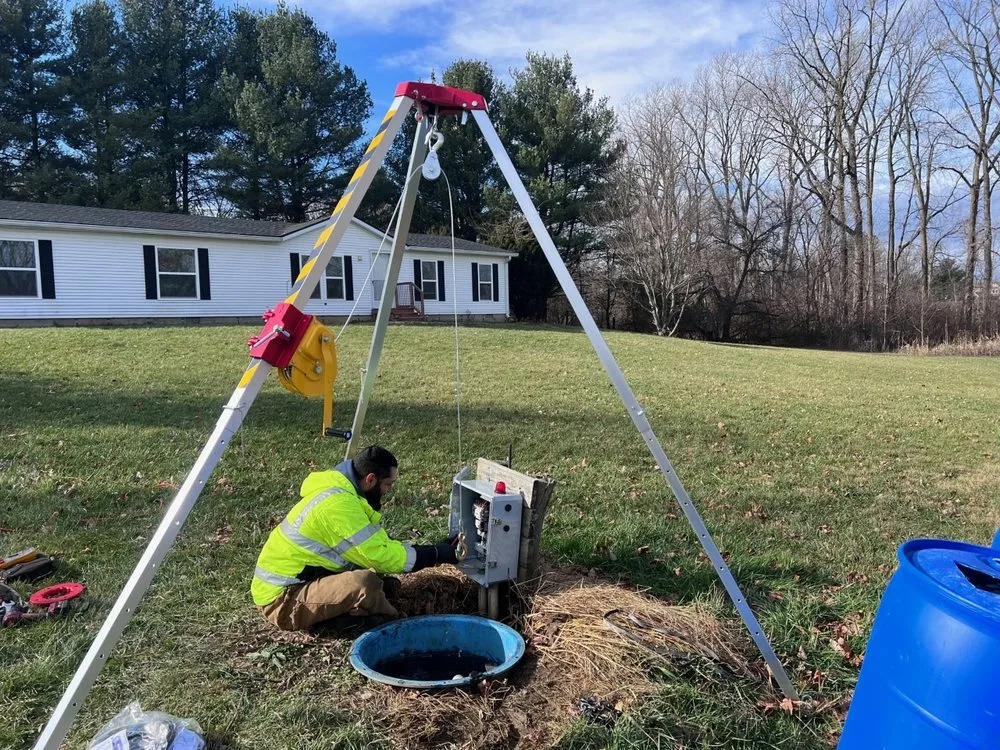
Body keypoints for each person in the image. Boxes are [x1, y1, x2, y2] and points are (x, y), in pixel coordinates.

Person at [251, 445, 457, 631]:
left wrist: (434, 550)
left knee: (378, 580)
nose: (389, 491)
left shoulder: (341, 491)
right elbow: (380, 556)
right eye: (388, 484)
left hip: (300, 581)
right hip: (281, 600)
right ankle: (391, 624)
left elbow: (378, 546)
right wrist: (436, 554)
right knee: (365, 583)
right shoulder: (339, 505)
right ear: (370, 479)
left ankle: (347, 612)